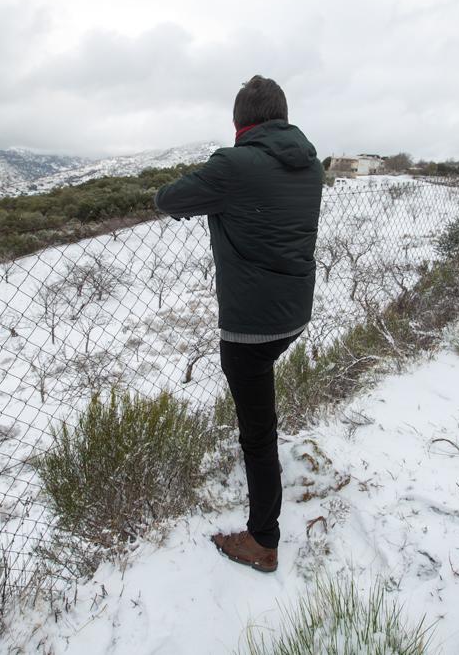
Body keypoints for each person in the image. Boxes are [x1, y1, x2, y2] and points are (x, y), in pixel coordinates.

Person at [154, 75, 323, 573]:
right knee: (261, 410)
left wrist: (214, 187)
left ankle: (263, 541)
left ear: (239, 122)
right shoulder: (309, 163)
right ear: (282, 116)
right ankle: (266, 488)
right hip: (293, 313)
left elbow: (167, 199)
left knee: (258, 433)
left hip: (249, 326)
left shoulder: (232, 165)